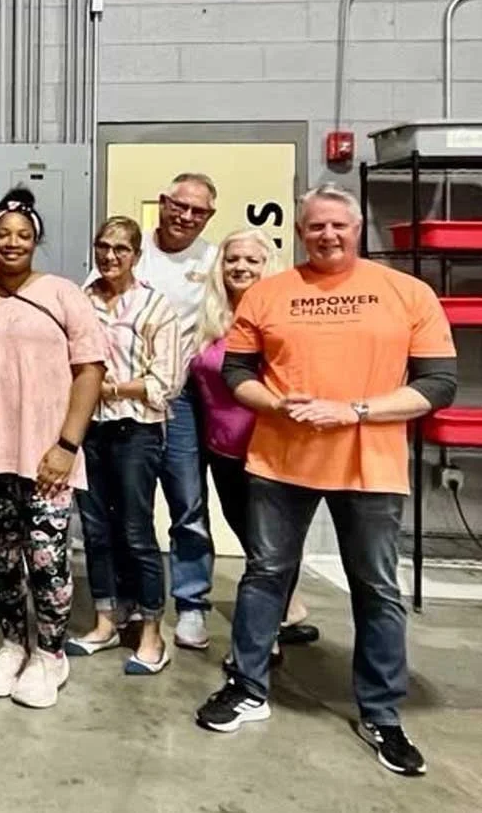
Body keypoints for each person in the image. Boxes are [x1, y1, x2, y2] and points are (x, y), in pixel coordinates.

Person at [194, 184, 456, 779]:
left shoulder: (406, 293)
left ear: (357, 228)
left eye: (338, 225)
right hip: (280, 462)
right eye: (315, 227)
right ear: (302, 230)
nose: (327, 236)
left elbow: (439, 383)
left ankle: (382, 713)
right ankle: (247, 686)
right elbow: (237, 370)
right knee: (264, 577)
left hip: (371, 465)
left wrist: (356, 411)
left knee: (377, 589)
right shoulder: (268, 293)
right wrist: (279, 406)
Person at [0, 190, 105, 708]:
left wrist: (66, 445)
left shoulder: (62, 295)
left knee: (46, 558)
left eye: (23, 234)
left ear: (36, 240)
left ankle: (51, 654)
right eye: (2, 233)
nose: (12, 242)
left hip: (47, 456)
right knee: (3, 556)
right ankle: (15, 643)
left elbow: (90, 371)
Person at [190, 228, 316, 658]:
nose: (240, 267)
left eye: (252, 260)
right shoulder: (212, 317)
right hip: (222, 452)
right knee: (253, 541)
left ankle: (267, 638)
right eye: (232, 259)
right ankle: (284, 611)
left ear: (269, 267)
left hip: (268, 452)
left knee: (270, 550)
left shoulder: (283, 318)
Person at [66, 217, 183, 675]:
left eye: (120, 248)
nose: (110, 255)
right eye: (102, 246)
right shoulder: (80, 299)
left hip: (136, 431)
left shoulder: (156, 307)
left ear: (136, 254)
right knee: (94, 530)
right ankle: (105, 621)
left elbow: (166, 382)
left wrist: (109, 389)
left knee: (135, 531)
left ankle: (152, 632)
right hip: (89, 430)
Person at [135, 172, 221, 650]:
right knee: (132, 506)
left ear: (208, 217)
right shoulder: (131, 249)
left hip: (182, 398)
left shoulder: (212, 260)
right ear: (163, 202)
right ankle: (135, 600)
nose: (186, 217)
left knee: (188, 505)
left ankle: (191, 605)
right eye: (179, 206)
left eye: (198, 211)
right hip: (126, 396)